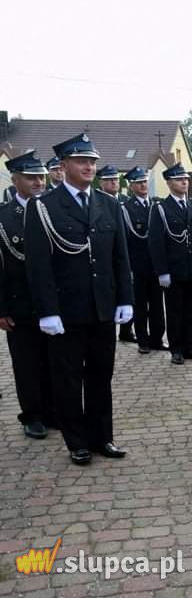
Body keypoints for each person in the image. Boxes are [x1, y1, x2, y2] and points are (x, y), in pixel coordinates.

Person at [24, 134, 133, 465]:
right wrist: (47, 311)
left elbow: (120, 257)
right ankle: (77, 441)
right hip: (66, 310)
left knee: (101, 376)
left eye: (92, 161)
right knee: (68, 379)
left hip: (102, 308)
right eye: (82, 161)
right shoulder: (43, 206)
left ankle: (102, 437)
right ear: (63, 166)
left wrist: (125, 299)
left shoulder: (109, 204)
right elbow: (38, 265)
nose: (89, 166)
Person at [0, 151, 55, 439]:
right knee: (26, 363)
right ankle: (32, 415)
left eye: (41, 177)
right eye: (31, 177)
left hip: (54, 302)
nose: (38, 182)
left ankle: (52, 411)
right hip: (20, 303)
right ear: (15, 180)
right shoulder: (3, 216)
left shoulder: (53, 208)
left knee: (54, 361)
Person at [148, 163, 192, 365]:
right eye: (179, 179)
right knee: (174, 311)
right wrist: (162, 271)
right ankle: (176, 349)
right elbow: (156, 242)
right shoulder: (161, 209)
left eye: (186, 179)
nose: (184, 182)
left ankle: (189, 346)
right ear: (169, 182)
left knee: (190, 311)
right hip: (173, 270)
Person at [121, 166, 166, 354]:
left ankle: (157, 339)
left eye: (145, 182)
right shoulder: (126, 209)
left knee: (157, 305)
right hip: (137, 265)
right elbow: (124, 240)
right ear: (131, 186)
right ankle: (143, 340)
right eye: (139, 183)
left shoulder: (157, 205)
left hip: (155, 265)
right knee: (140, 305)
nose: (143, 185)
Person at [98, 165, 136, 344]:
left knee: (127, 293)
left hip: (127, 255)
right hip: (106, 257)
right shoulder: (99, 202)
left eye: (115, 179)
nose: (114, 182)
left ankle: (127, 330)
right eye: (109, 180)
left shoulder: (125, 201)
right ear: (101, 182)